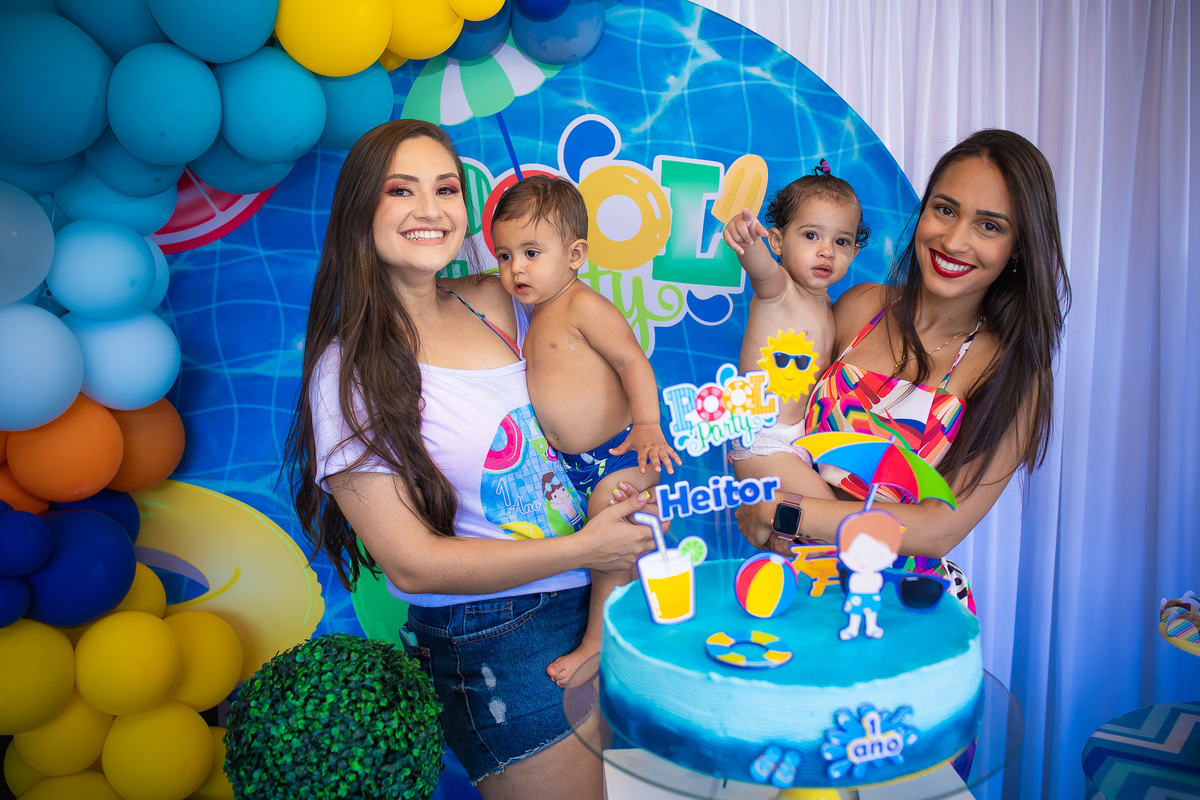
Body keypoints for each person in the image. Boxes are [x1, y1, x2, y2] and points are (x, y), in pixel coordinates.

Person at [284, 119, 657, 800]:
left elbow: (589, 389)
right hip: (498, 635)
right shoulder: (350, 370)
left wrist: (628, 471)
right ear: (360, 208)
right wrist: (589, 546)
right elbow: (412, 562)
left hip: (596, 598)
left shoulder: (500, 296)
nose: (430, 209)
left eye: (447, 188)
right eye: (402, 190)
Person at [729, 128, 1072, 609]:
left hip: (903, 604)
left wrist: (783, 512)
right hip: (802, 591)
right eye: (945, 210)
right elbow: (780, 418)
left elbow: (936, 530)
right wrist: (759, 487)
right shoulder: (860, 306)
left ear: (1018, 246)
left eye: (989, 226)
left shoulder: (1013, 373)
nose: (954, 240)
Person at [491, 174, 681, 687]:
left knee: (609, 538)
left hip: (620, 454)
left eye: (531, 253)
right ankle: (631, 625)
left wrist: (647, 424)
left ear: (575, 255)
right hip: (571, 466)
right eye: (505, 256)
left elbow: (631, 360)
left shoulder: (581, 305)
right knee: (595, 543)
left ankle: (599, 642)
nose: (515, 268)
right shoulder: (534, 313)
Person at [722, 159, 870, 500]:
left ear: (853, 253)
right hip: (765, 440)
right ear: (777, 241)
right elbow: (759, 268)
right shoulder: (779, 290)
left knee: (805, 525)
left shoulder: (830, 306)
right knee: (830, 515)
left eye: (841, 242)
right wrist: (747, 238)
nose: (826, 251)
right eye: (811, 235)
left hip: (802, 441)